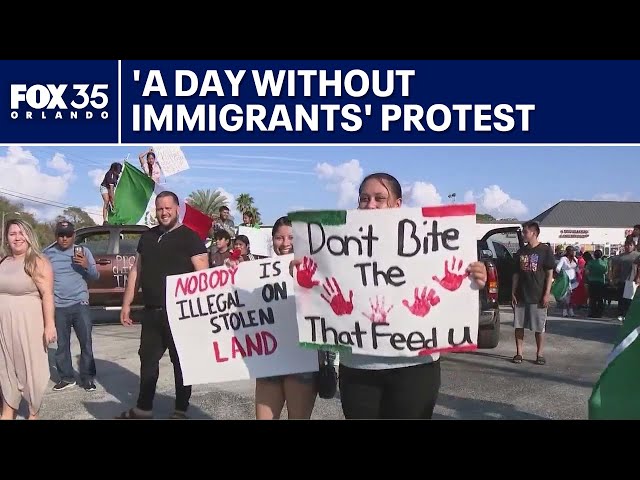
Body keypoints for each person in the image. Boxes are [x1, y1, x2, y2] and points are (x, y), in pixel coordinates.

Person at [300, 173, 487, 420]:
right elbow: (317, 289)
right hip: (358, 368)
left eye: (379, 198)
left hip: (415, 367)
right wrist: (304, 279)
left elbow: (454, 290)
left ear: (398, 204)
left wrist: (473, 278)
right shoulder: (338, 246)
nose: (371, 205)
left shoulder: (424, 242)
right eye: (364, 199)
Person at [116, 191, 209, 419]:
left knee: (182, 364)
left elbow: (204, 276)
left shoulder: (191, 237)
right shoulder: (147, 237)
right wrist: (126, 304)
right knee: (147, 362)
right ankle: (143, 408)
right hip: (152, 312)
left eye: (168, 208)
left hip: (181, 314)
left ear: (177, 209)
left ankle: (180, 409)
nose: (164, 212)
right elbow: (136, 270)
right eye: (160, 209)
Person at [254, 216, 319, 420]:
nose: (285, 243)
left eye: (291, 237)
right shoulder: (259, 271)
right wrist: (233, 272)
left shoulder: (316, 270)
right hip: (269, 357)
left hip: (302, 357)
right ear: (272, 240)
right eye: (279, 238)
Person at [0, 219, 57, 420]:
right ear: (6, 238)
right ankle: (7, 411)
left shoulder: (37, 261)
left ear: (29, 236)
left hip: (29, 326)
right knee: (6, 370)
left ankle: (33, 413)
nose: (17, 237)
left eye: (21, 233)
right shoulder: (3, 261)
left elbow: (48, 295)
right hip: (4, 328)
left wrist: (49, 325)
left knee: (31, 371)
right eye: (12, 233)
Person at [44, 221, 100, 391]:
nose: (64, 238)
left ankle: (87, 378)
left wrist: (86, 265)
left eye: (68, 235)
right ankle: (67, 377)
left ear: (74, 235)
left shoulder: (84, 252)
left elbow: (95, 276)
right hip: (58, 305)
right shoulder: (47, 254)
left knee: (86, 343)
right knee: (62, 345)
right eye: (61, 235)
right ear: (56, 236)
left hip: (80, 302)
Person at [512, 221, 555, 365]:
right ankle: (519, 353)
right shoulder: (521, 252)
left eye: (526, 232)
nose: (523, 235)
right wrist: (513, 292)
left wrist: (547, 293)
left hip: (538, 295)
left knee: (539, 327)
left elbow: (549, 273)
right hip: (521, 295)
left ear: (534, 233)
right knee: (519, 325)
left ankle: (539, 354)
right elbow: (516, 274)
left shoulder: (545, 250)